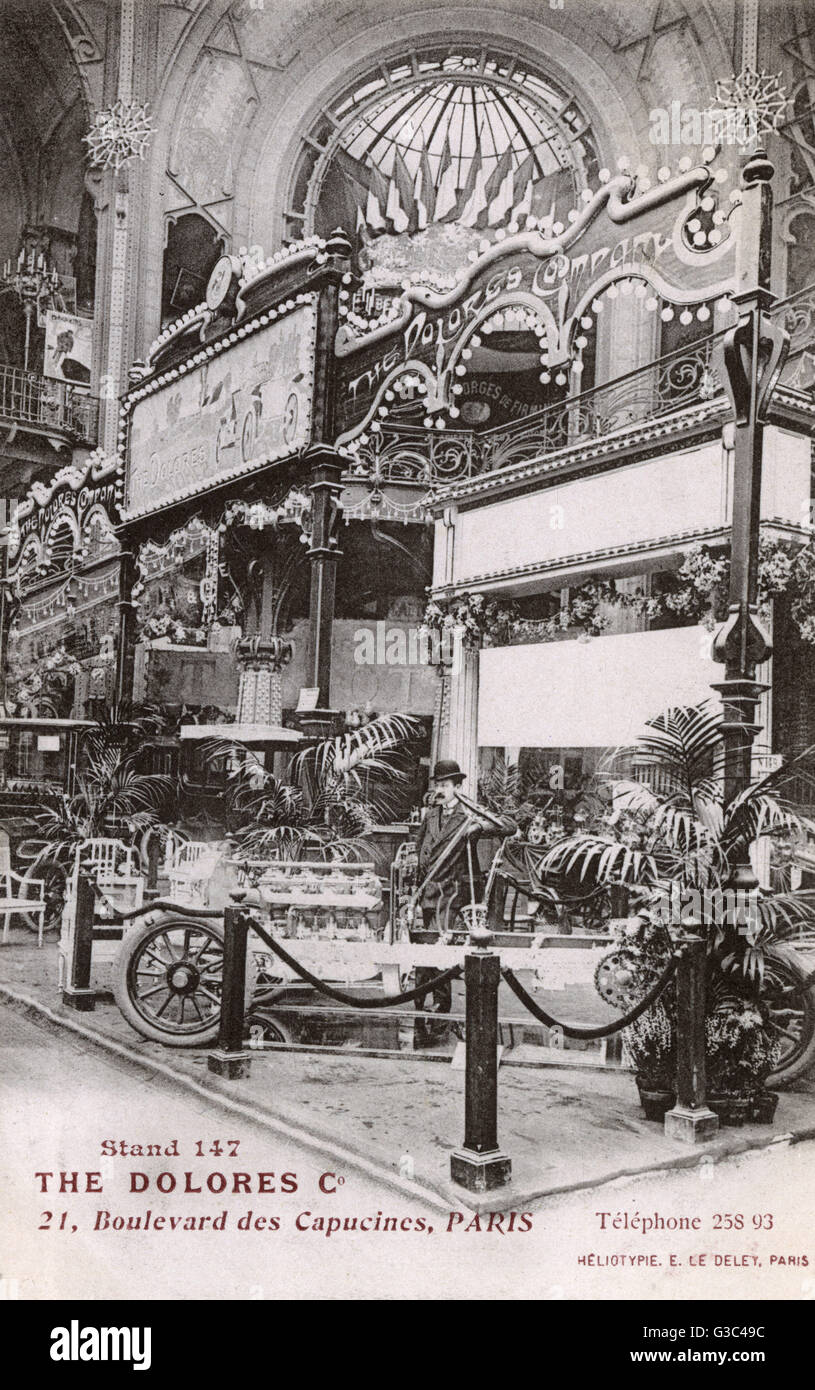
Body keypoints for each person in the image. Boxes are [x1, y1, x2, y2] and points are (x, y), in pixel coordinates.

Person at [410, 759, 499, 1045]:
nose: (440, 789)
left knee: (438, 945)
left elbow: (507, 827)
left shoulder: (468, 818)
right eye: (437, 784)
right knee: (424, 945)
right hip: (427, 890)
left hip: (451, 891)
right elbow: (419, 846)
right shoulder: (431, 815)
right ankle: (420, 1003)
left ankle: (440, 1004)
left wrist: (480, 827)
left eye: (445, 785)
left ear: (457, 788)